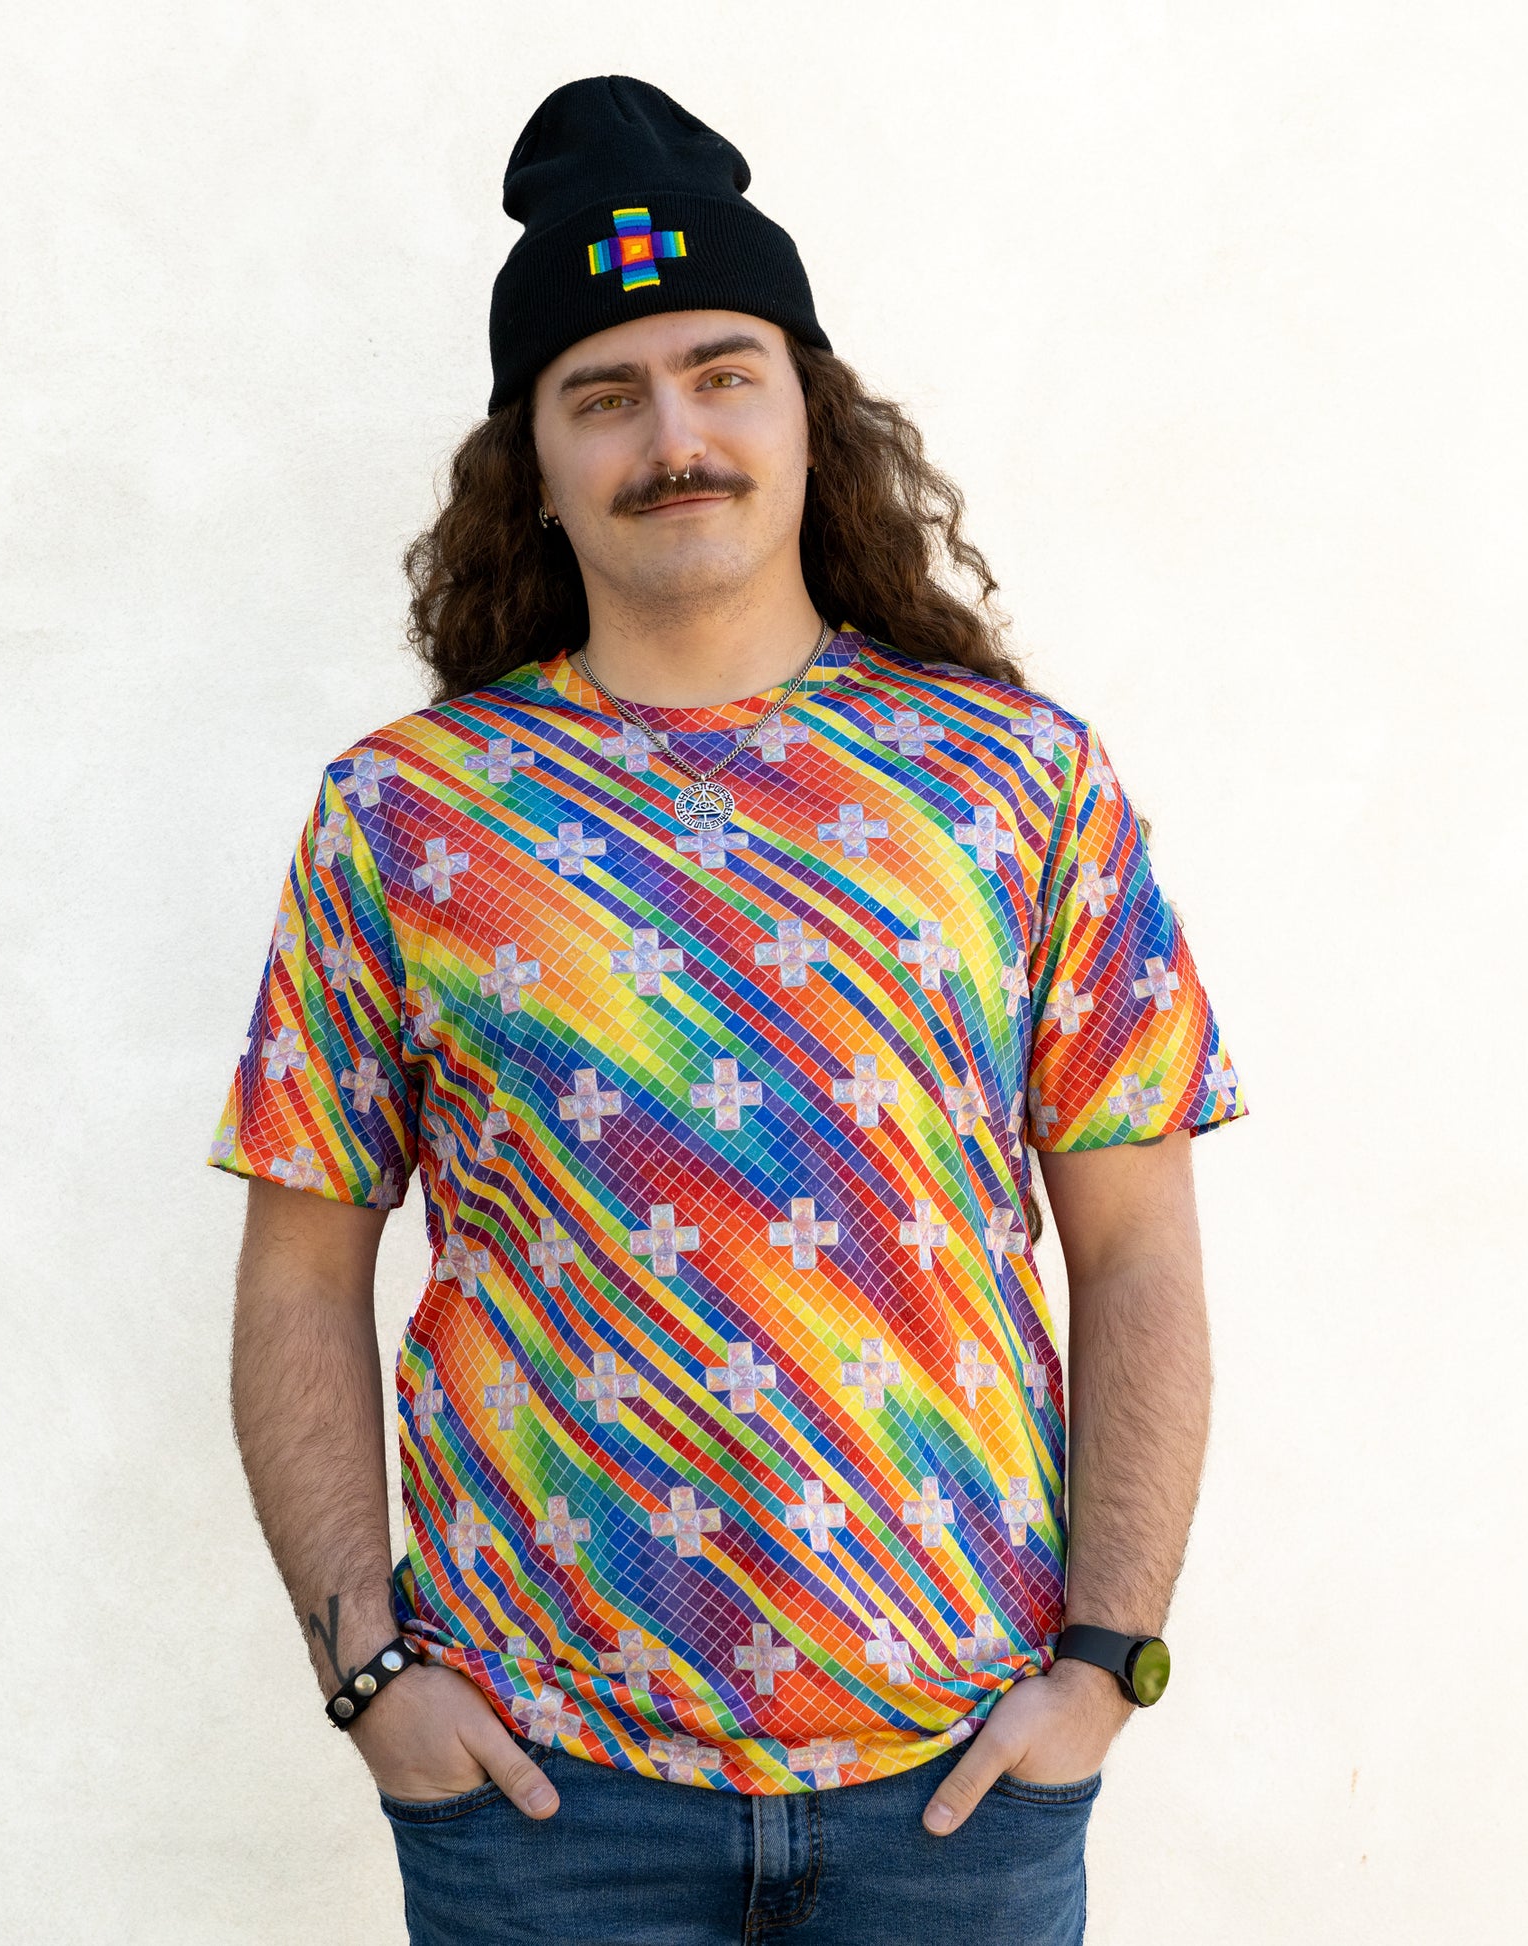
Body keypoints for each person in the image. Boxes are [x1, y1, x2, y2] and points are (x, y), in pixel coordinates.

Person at [209, 74, 1247, 1946]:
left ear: (808, 415)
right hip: (544, 1799)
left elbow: (1139, 1249)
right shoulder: (406, 817)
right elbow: (297, 1275)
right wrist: (370, 1678)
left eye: (720, 372)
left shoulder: (1015, 785)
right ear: (531, 465)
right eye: (602, 394)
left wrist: (1106, 1659)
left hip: (955, 1785)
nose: (671, 434)